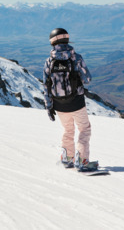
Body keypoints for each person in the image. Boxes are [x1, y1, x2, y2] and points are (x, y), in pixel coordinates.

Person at [43, 28, 92, 168]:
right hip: (77, 102)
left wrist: (49, 106)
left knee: (68, 130)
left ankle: (67, 157)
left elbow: (46, 85)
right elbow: (87, 78)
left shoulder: (48, 61)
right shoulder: (76, 58)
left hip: (59, 104)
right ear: (67, 39)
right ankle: (82, 160)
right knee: (84, 129)